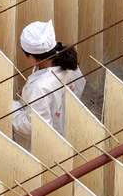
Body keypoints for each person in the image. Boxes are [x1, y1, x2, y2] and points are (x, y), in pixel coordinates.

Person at [12, 20, 85, 149]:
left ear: (32, 58)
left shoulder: (39, 87)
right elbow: (76, 88)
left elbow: (34, 128)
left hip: (46, 147)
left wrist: (12, 108)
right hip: (66, 127)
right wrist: (29, 99)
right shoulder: (67, 61)